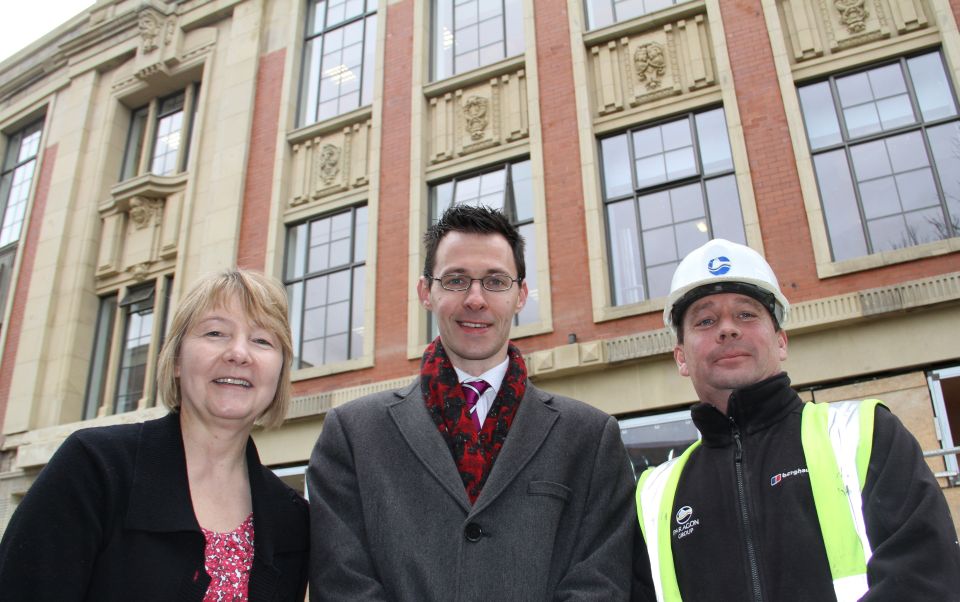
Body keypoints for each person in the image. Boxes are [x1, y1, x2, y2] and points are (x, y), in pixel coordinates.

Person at [308, 204, 637, 600]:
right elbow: (342, 582)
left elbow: (602, 580)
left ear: (521, 295)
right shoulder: (352, 435)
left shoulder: (590, 438)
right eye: (456, 280)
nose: (476, 299)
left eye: (496, 281)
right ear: (426, 292)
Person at [635, 238, 960, 601]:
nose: (727, 329)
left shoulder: (865, 434)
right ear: (680, 357)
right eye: (706, 320)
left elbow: (926, 577)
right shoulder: (653, 495)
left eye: (746, 314)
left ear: (781, 341)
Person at [0, 269, 309, 601]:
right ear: (176, 359)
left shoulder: (292, 518)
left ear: (278, 373)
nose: (238, 353)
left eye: (262, 340)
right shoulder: (94, 468)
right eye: (216, 333)